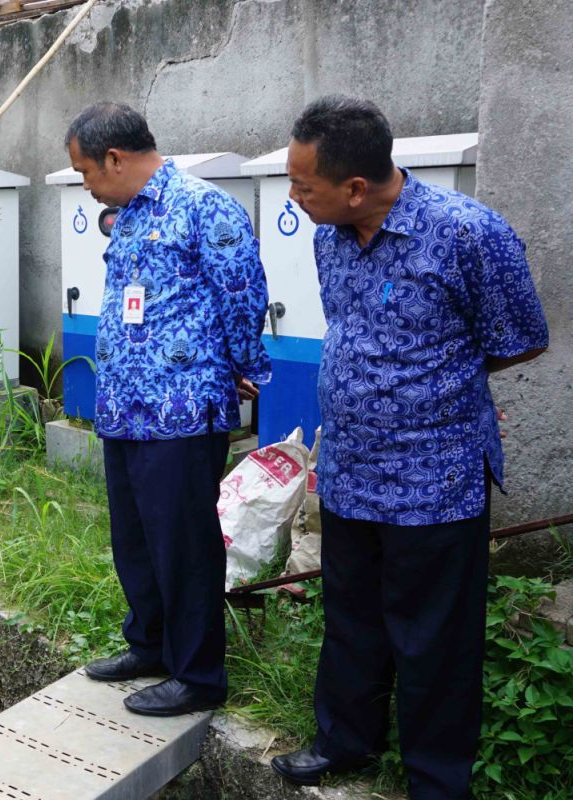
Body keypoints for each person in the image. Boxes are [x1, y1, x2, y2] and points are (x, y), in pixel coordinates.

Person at [269, 96, 548, 799]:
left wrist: (430, 386)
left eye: (304, 186)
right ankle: (347, 741)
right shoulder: (329, 236)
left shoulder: (467, 234)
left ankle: (435, 780)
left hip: (436, 476)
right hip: (352, 468)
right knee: (352, 617)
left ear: (355, 186)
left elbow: (521, 336)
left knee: (434, 639)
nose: (294, 197)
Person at [64, 102, 270, 715]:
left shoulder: (204, 207)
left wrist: (242, 366)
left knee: (183, 544)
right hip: (125, 407)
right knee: (134, 539)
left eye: (85, 171)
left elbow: (243, 292)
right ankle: (149, 644)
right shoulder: (126, 215)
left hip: (180, 411)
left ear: (115, 158)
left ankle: (198, 675)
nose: (84, 183)